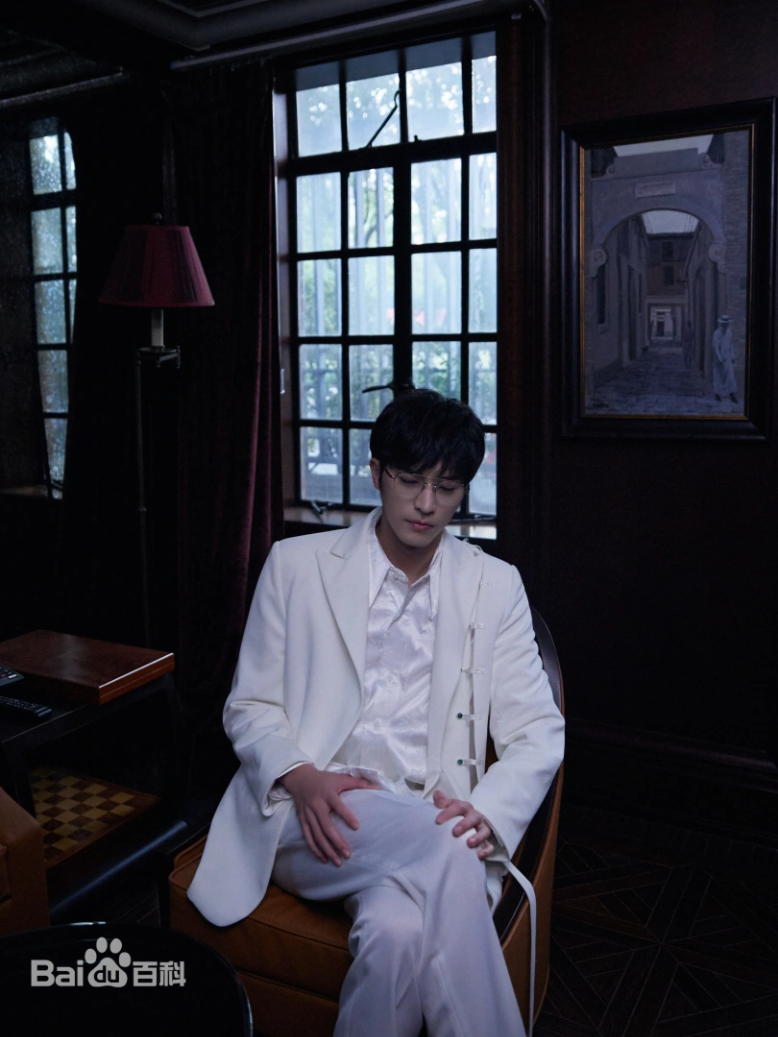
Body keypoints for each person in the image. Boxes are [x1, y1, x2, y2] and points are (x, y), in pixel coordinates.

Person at [187, 389, 565, 1037]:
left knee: (396, 932)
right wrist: (301, 775)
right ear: (376, 471)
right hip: (310, 814)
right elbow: (249, 705)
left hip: (427, 814)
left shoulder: (495, 585)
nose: (426, 504)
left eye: (447, 487)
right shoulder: (296, 566)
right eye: (410, 480)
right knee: (445, 848)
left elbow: (537, 730)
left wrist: (487, 812)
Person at [712, 314, 738, 403]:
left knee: (730, 376)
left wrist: (732, 357)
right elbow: (715, 347)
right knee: (718, 377)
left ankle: (732, 394)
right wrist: (719, 358)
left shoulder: (729, 333)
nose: (725, 325)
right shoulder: (716, 333)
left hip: (727, 358)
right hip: (719, 359)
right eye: (724, 324)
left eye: (727, 324)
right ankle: (717, 394)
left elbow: (730, 346)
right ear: (721, 324)